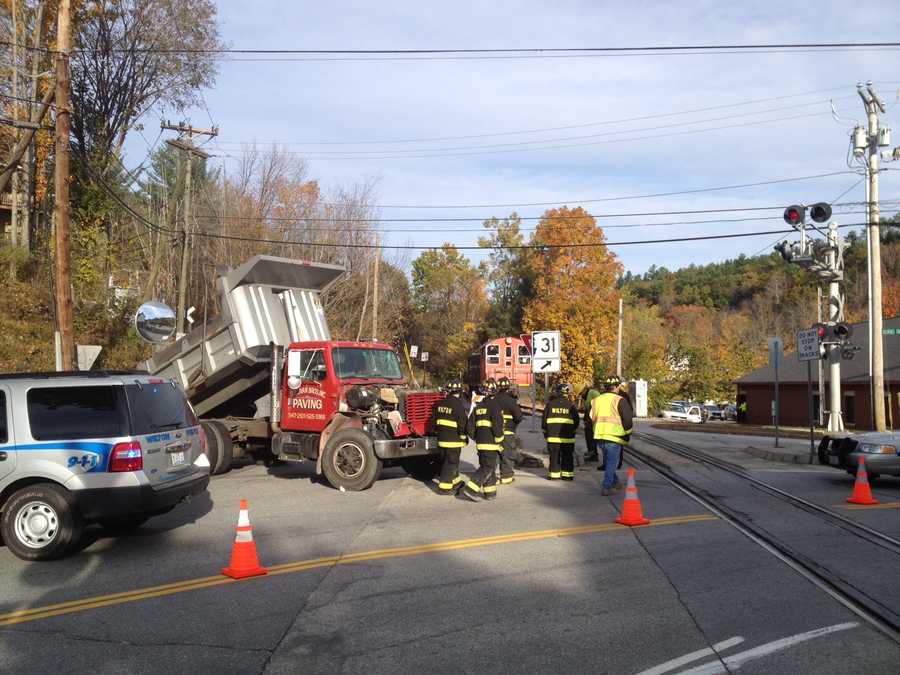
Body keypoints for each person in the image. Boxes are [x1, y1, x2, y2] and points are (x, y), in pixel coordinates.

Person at [461, 379, 505, 502]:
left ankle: (490, 493)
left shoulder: (478, 406)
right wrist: (499, 440)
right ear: (495, 392)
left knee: (487, 466)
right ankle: (471, 489)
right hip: (491, 443)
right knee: (487, 467)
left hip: (480, 443)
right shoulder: (495, 406)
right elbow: (497, 426)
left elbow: (470, 425)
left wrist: (476, 437)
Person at [590, 375, 634, 496]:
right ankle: (606, 486)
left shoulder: (596, 400)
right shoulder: (620, 400)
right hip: (614, 437)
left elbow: (591, 418)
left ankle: (616, 482)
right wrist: (627, 433)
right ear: (618, 386)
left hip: (599, 435)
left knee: (609, 462)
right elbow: (628, 420)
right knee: (611, 463)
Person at [427, 379, 470, 495]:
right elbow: (463, 425)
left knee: (449, 462)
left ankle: (455, 482)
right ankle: (444, 488)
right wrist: (463, 438)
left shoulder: (439, 404)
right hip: (453, 441)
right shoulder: (458, 405)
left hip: (441, 440)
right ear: (460, 392)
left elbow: (434, 422)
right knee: (450, 463)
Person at [542, 382, 580, 481]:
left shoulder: (550, 405)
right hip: (568, 439)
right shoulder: (571, 406)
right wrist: (572, 432)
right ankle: (567, 476)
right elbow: (577, 422)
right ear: (567, 394)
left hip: (553, 438)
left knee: (554, 457)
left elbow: (544, 422)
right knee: (567, 456)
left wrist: (546, 433)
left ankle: (554, 476)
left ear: (557, 393)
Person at [494, 376, 523, 484]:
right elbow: (519, 417)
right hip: (508, 432)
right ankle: (506, 477)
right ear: (508, 387)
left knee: (494, 455)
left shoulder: (493, 399)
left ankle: (490, 476)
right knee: (507, 454)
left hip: (494, 432)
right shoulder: (511, 401)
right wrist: (513, 426)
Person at [581, 381, 601, 462]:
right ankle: (593, 453)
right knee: (592, 437)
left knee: (590, 437)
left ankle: (593, 455)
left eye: (581, 393)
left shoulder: (590, 393)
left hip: (593, 419)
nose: (581, 396)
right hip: (594, 418)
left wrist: (587, 420)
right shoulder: (593, 392)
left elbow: (587, 406)